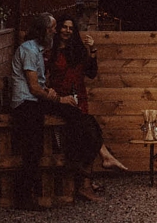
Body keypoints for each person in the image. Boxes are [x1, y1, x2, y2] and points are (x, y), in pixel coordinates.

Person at [9, 13, 103, 209]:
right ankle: (24, 197)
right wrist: (57, 97)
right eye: (52, 28)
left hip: (37, 99)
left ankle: (75, 160)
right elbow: (33, 88)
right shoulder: (29, 50)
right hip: (26, 103)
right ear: (43, 30)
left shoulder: (40, 49)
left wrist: (52, 93)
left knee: (75, 113)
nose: (55, 31)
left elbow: (41, 85)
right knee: (33, 148)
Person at [45, 14, 129, 180]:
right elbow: (41, 76)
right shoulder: (50, 52)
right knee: (86, 126)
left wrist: (93, 50)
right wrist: (48, 90)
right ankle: (100, 160)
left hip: (78, 97)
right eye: (64, 27)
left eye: (70, 28)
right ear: (58, 29)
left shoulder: (77, 50)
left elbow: (91, 73)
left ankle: (87, 175)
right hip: (60, 98)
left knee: (88, 127)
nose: (67, 31)